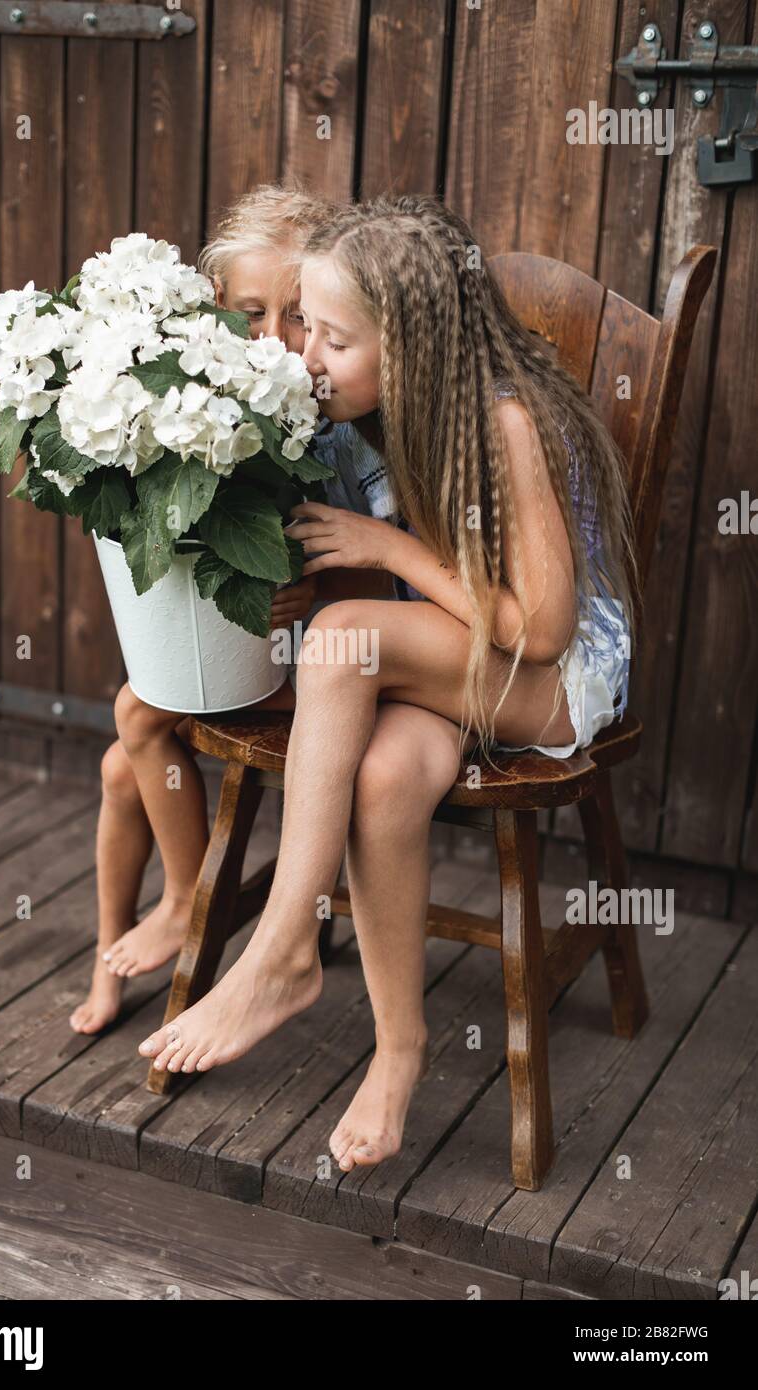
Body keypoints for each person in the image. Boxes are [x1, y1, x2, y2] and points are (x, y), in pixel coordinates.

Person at [134, 193, 638, 1174]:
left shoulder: (504, 423)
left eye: (327, 336)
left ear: (405, 346)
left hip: (553, 684)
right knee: (381, 777)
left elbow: (539, 632)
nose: (304, 356)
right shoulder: (369, 415)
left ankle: (281, 947)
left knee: (345, 638)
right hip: (453, 661)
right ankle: (398, 1050)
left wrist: (381, 546)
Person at [70, 183, 344, 1034]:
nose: (273, 340)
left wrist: (319, 589)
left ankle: (190, 897)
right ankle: (112, 951)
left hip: (339, 675)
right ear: (215, 313)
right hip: (248, 655)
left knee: (133, 719)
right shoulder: (212, 407)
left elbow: (391, 556)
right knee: (123, 764)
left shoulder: (345, 404)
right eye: (250, 313)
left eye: (297, 315)